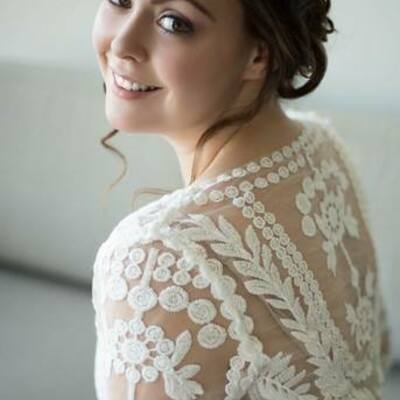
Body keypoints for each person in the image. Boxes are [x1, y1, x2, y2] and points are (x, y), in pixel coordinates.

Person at [91, 1, 391, 399]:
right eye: (120, 0)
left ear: (258, 55)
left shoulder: (156, 259)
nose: (122, 44)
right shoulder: (324, 149)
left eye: (174, 22)